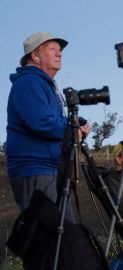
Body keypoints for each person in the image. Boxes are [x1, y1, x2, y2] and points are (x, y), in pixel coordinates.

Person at [6, 32, 90, 215]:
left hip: (48, 169)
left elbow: (52, 121)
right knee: (47, 236)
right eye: (52, 49)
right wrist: (73, 132)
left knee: (61, 236)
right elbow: (42, 122)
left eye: (60, 51)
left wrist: (74, 128)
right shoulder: (29, 82)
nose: (59, 54)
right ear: (35, 55)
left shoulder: (44, 84)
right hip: (36, 169)